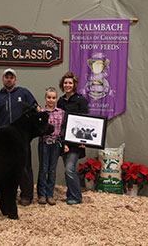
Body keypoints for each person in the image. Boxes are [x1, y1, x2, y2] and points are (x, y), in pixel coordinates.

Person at [0, 68, 40, 206]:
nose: (9, 79)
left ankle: (27, 195)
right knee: (4, 167)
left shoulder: (24, 93)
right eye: (6, 77)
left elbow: (35, 109)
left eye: (11, 77)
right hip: (4, 139)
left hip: (21, 138)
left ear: (15, 80)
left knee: (24, 166)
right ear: (3, 79)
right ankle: (7, 194)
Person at [57, 71, 88, 205]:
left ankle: (76, 196)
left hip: (76, 141)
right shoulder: (60, 101)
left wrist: (83, 141)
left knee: (70, 169)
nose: (67, 85)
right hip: (64, 140)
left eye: (70, 83)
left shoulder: (81, 100)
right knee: (67, 168)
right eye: (65, 83)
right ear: (62, 85)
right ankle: (70, 194)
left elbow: (85, 121)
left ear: (74, 84)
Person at [37, 87, 69, 206]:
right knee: (43, 168)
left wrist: (64, 143)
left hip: (56, 143)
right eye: (49, 97)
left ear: (56, 99)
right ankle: (41, 195)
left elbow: (63, 130)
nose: (51, 100)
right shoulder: (41, 113)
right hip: (44, 142)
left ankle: (50, 195)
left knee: (52, 169)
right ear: (45, 98)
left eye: (53, 97)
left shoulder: (61, 112)